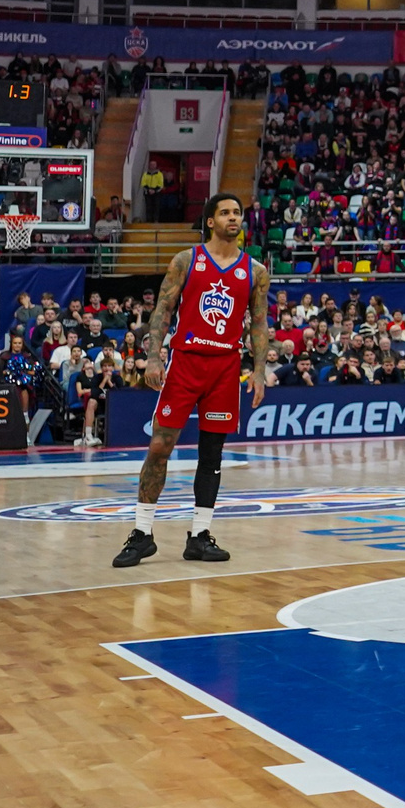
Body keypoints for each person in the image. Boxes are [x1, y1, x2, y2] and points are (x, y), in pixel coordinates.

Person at [112, 194, 269, 569]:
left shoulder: (256, 270)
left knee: (212, 454)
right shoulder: (187, 260)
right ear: (210, 220)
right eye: (225, 213)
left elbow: (259, 323)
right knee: (160, 446)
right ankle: (142, 533)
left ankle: (199, 535)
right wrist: (153, 356)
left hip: (226, 368)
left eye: (237, 213)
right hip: (185, 363)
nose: (234, 218)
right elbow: (162, 310)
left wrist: (259, 370)